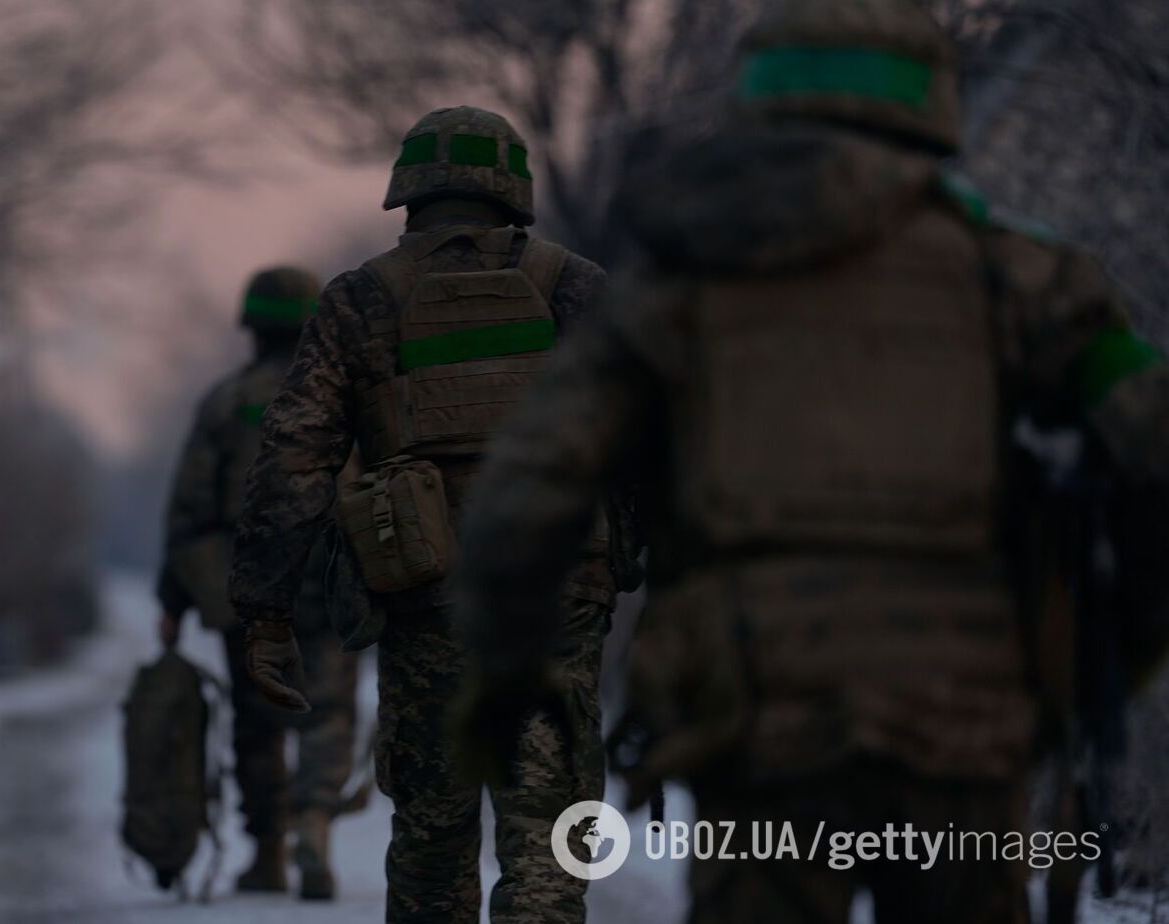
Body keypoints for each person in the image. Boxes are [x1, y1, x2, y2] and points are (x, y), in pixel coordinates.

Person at [452, 1, 1169, 921]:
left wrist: (509, 672)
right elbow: (1151, 443)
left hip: (752, 708)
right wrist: (1102, 659)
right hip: (963, 713)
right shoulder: (1015, 275)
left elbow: (531, 485)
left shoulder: (675, 287)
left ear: (760, 100)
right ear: (928, 100)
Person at [228, 106, 623, 923]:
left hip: (429, 589)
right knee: (547, 835)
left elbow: (294, 458)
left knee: (432, 837)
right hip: (558, 589)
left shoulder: (361, 300)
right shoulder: (579, 288)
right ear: (512, 188)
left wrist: (266, 610)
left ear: (408, 190)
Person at [158, 266, 360, 899]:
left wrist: (174, 599)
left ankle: (269, 850)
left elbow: (190, 507)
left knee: (258, 722)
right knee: (327, 711)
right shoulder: (348, 397)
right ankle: (315, 822)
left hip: (243, 587)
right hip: (330, 575)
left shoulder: (225, 402)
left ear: (251, 327)